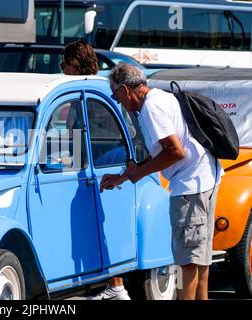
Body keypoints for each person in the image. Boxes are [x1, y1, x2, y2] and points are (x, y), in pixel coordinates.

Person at [101, 63, 222, 300]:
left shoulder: (151, 108)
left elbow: (176, 152)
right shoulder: (160, 97)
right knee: (200, 260)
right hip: (205, 178)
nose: (119, 103)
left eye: (116, 97)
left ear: (125, 90)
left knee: (186, 261)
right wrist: (126, 175)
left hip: (190, 186)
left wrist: (140, 173)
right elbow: (162, 150)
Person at [61, 39, 131, 301]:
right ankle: (113, 285)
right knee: (101, 227)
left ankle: (115, 286)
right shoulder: (95, 87)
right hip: (101, 167)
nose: (62, 70)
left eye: (64, 64)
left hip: (101, 169)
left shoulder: (88, 90)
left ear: (74, 64)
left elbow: (85, 135)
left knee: (101, 227)